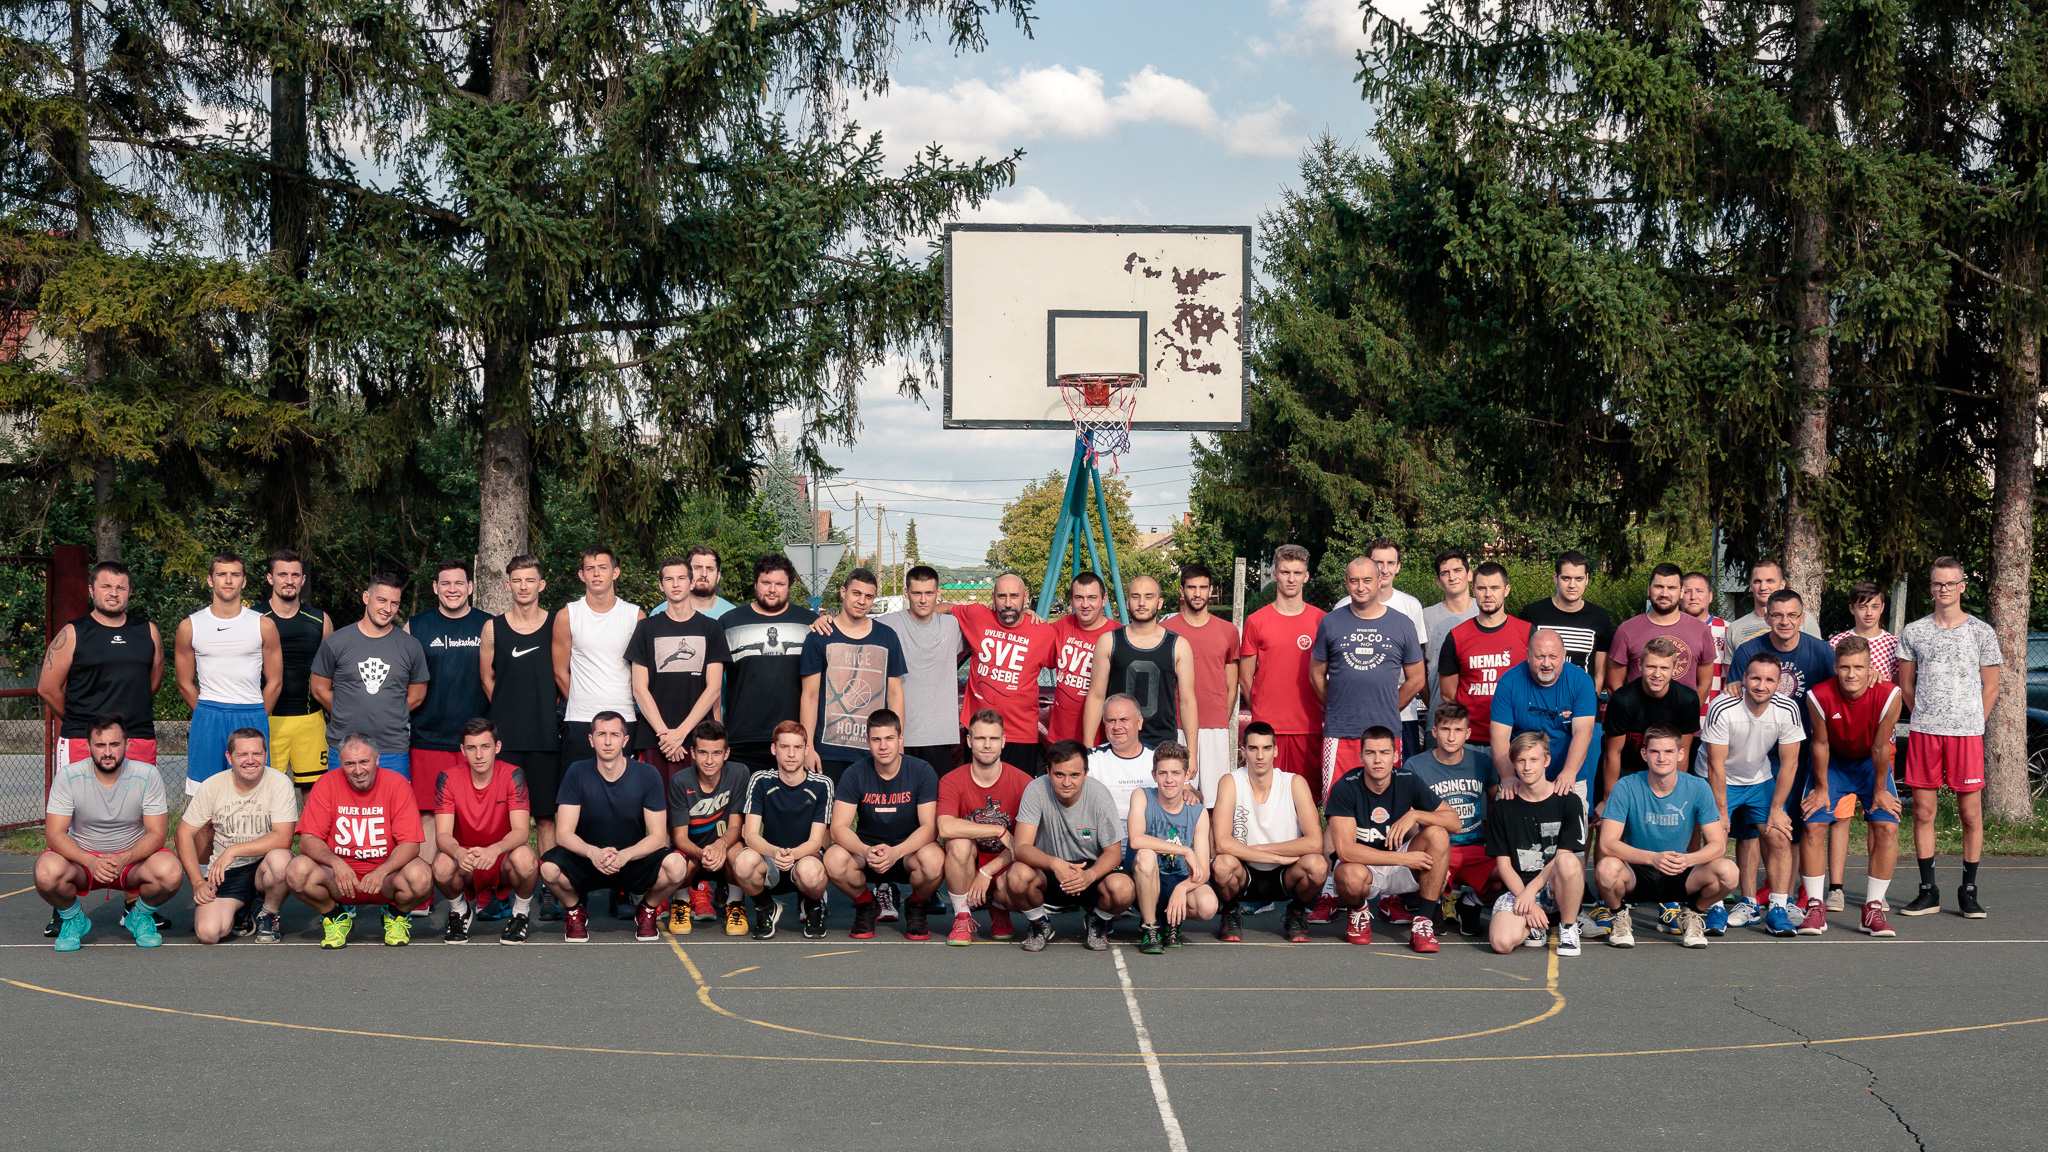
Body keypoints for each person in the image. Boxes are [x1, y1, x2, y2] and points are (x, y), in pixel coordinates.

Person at [1895, 557, 2003, 918]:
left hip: (1966, 736)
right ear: (1931, 588)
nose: (1944, 589)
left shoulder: (1981, 632)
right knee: (1923, 812)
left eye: (1950, 583)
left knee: (1970, 814)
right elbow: (1906, 685)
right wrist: (1927, 716)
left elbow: (1991, 687)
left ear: (1962, 587)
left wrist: (1971, 722)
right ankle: (1928, 891)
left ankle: (1968, 891)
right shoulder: (1914, 631)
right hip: (1925, 734)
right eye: (1937, 584)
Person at [537, 711, 688, 943]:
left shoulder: (647, 774)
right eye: (601, 734)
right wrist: (592, 853)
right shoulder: (576, 772)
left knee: (676, 866)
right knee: (548, 869)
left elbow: (658, 837)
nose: (608, 742)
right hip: (588, 859)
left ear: (625, 740)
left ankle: (647, 909)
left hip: (632, 859)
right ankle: (575, 911)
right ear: (591, 740)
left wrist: (625, 855)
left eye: (614, 735)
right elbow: (564, 834)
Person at [35, 715, 181, 951]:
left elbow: (157, 834)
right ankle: (73, 919)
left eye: (114, 744)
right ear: (87, 745)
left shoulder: (147, 774)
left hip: (131, 862)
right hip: (83, 862)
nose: (107, 752)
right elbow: (54, 834)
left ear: (127, 744)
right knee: (45, 872)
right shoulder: (69, 775)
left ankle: (140, 915)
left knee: (171, 871)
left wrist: (124, 858)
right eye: (100, 745)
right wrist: (89, 861)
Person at [1593, 726, 1738, 949]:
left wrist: (1687, 860)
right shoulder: (1626, 786)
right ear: (1644, 754)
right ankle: (1619, 915)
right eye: (1655, 752)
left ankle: (1693, 913)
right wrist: (1652, 858)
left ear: (1680, 754)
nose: (1662, 758)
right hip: (1636, 870)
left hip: (1679, 868)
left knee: (1729, 872)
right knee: (1605, 869)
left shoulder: (1698, 787)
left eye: (1669, 751)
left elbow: (1718, 845)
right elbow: (1607, 843)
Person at [287, 733, 433, 947]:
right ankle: (335, 917)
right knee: (296, 872)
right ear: (341, 762)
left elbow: (411, 844)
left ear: (377, 758)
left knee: (421, 878)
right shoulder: (326, 783)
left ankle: (396, 915)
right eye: (350, 764)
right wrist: (336, 863)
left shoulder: (397, 784)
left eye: (364, 761)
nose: (358, 770)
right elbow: (308, 839)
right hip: (340, 878)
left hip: (386, 877)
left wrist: (382, 871)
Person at [1801, 637, 1905, 937]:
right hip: (1832, 762)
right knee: (1813, 824)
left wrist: (1880, 790)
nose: (1851, 674)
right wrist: (1821, 789)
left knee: (1887, 826)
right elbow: (1820, 744)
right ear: (1835, 667)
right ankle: (1815, 907)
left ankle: (1873, 908)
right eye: (1845, 667)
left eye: (1859, 667)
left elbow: (1881, 746)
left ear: (1870, 668)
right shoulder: (1818, 695)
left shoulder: (1889, 694)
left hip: (1870, 763)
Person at [481, 554, 566, 916]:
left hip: (545, 737)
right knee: (503, 822)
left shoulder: (556, 625)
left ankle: (549, 891)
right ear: (508, 585)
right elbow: (488, 678)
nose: (524, 586)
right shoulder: (492, 628)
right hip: (507, 741)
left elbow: (563, 676)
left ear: (541, 584)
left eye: (530, 580)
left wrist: (544, 709)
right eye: (517, 580)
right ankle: (501, 894)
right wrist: (507, 711)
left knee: (545, 818)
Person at [1700, 653, 1806, 935]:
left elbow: (1790, 763)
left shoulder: (1787, 708)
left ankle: (1777, 909)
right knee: (1717, 839)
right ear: (1744, 678)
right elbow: (1715, 766)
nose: (1761, 685)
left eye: (1769, 680)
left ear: (1779, 684)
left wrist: (1777, 809)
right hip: (1719, 778)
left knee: (1779, 836)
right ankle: (1715, 907)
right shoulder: (1723, 706)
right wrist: (1721, 812)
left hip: (1758, 779)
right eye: (1755, 678)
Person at [406, 559, 491, 906]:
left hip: (476, 739)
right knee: (428, 813)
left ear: (470, 587)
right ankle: (424, 891)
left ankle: (482, 889)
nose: (452, 589)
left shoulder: (488, 624)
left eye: (459, 583)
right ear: (435, 588)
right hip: (428, 735)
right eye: (445, 583)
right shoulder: (416, 626)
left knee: (477, 816)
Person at [1325, 726, 1455, 951]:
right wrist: (1405, 859)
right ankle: (1358, 910)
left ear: (1395, 756)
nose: (1378, 760)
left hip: (1399, 864)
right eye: (1370, 753)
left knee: (1438, 834)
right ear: (1360, 756)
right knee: (1348, 875)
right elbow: (1345, 851)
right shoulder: (1345, 787)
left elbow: (1455, 822)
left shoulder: (1407, 780)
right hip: (1364, 866)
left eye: (1384, 752)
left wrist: (1415, 814)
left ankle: (1423, 922)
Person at [1311, 556, 1425, 803]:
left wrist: (1389, 707)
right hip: (1341, 732)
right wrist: (1335, 705)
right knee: (1337, 805)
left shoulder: (1402, 624)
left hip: (1385, 733)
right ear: (1346, 583)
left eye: (1367, 580)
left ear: (1379, 580)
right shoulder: (1331, 622)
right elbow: (1316, 674)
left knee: (1385, 804)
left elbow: (1417, 679)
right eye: (1354, 581)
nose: (1360, 587)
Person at [825, 709, 942, 940]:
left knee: (935, 861)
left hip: (909, 852)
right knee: (833, 859)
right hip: (868, 852)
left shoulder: (921, 771)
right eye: (876, 740)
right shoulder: (855, 773)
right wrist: (865, 851)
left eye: (889, 738)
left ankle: (916, 906)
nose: (883, 746)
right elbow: (838, 828)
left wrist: (897, 851)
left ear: (900, 738)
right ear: (868, 742)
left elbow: (930, 828)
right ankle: (866, 905)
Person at [1004, 740, 1132, 952]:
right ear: (1048, 771)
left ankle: (1098, 921)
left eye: (1074, 775)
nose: (1066, 782)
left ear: (1086, 773)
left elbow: (1113, 853)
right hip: (1049, 869)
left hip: (1089, 871)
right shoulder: (1035, 789)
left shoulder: (1100, 794)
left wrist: (1089, 875)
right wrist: (1055, 864)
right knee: (1015, 878)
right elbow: (1022, 847)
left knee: (1123, 889)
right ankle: (1039, 924)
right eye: (1059, 774)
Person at [175, 727, 296, 945]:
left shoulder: (279, 782)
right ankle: (244, 910)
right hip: (228, 871)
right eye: (242, 754)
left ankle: (269, 913)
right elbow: (183, 833)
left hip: (264, 865)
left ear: (266, 755)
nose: (250, 760)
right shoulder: (212, 785)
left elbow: (284, 838)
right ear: (229, 757)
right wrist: (197, 881)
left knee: (282, 859)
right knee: (208, 934)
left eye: (257, 753)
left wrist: (233, 851)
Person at [174, 553, 282, 796]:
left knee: (254, 795)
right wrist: (206, 712)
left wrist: (257, 716)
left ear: (244, 581)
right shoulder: (190, 626)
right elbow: (184, 683)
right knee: (204, 795)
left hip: (251, 712)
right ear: (210, 580)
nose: (229, 580)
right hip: (208, 714)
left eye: (235, 574)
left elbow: (275, 682)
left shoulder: (263, 625)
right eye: (222, 574)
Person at [38, 561, 163, 769]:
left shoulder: (148, 631)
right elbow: (47, 688)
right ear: (91, 590)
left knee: (139, 792)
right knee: (79, 793)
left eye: (120, 587)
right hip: (82, 740)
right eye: (106, 586)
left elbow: (152, 684)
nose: (114, 593)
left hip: (137, 736)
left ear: (129, 592)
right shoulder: (73, 633)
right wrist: (81, 721)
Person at [1210, 722, 1327, 942]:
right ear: (1243, 751)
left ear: (1276, 750)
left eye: (1266, 748)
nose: (1260, 755)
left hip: (1286, 873)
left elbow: (1315, 843)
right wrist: (1274, 857)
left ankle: (1296, 911)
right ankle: (1230, 911)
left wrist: (1262, 849)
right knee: (1222, 865)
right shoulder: (1230, 782)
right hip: (1245, 871)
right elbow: (1222, 844)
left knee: (1318, 866)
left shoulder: (1294, 783)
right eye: (1253, 748)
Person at [1823, 580, 1900, 904]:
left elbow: (1898, 688)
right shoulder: (1836, 642)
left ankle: (1875, 892)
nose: (1868, 612)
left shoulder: (1893, 644)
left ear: (1883, 608)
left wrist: (1879, 680)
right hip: (1842, 742)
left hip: (1879, 743)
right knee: (1839, 817)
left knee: (1878, 817)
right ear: (1852, 608)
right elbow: (1831, 685)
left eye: (1875, 606)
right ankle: (1836, 888)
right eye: (1862, 606)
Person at [432, 718, 541, 945]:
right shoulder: (447, 777)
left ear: (497, 747)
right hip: (466, 857)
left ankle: (520, 913)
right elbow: (442, 836)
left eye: (485, 746)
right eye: (472, 748)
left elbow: (521, 831)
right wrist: (458, 852)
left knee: (526, 858)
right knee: (441, 865)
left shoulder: (514, 775)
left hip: (502, 856)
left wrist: (495, 849)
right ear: (463, 750)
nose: (479, 755)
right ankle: (460, 911)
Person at [310, 572, 429, 776]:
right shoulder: (336, 642)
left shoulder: (410, 646)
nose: (387, 609)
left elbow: (417, 695)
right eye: (381, 600)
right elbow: (319, 689)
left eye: (394, 603)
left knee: (394, 797)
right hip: (345, 747)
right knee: (341, 798)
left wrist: (392, 712)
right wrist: (344, 710)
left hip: (392, 748)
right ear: (366, 597)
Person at [1082, 575, 1199, 780]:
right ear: (1128, 602)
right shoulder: (1109, 641)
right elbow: (1096, 696)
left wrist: (1193, 753)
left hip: (1162, 746)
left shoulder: (1179, 645)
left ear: (1160, 602)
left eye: (1148, 596)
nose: (1142, 603)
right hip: (1117, 744)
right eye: (1136, 597)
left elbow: (1188, 701)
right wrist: (1088, 749)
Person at [629, 554, 730, 786]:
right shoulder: (646, 628)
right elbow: (639, 689)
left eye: (681, 578)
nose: (675, 584)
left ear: (691, 583)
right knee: (657, 806)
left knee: (698, 806)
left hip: (699, 739)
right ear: (660, 585)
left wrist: (681, 733)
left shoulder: (711, 628)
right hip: (655, 739)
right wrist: (666, 735)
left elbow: (714, 688)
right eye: (669, 579)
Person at [800, 568, 906, 785]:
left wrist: (897, 743)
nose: (862, 601)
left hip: (874, 750)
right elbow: (809, 696)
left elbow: (895, 694)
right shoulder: (820, 637)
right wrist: (807, 747)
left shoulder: (887, 637)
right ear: (843, 592)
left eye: (869, 596)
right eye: (856, 593)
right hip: (829, 751)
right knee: (829, 808)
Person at [1484, 731, 1586, 956]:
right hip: (1517, 888)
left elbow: (1562, 856)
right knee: (1501, 943)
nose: (1527, 767)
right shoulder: (1503, 807)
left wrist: (1531, 891)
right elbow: (1503, 865)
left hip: (1553, 886)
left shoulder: (1569, 801)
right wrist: (1527, 903)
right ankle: (1534, 927)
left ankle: (1568, 928)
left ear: (1546, 761)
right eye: (1521, 760)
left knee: (1568, 860)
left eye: (1533, 760)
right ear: (1513, 763)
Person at [729, 721, 834, 939]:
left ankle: (813, 906)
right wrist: (776, 852)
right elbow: (751, 835)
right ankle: (766, 906)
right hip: (771, 858)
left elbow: (816, 841)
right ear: (773, 749)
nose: (791, 754)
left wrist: (792, 855)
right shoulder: (760, 780)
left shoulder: (822, 784)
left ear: (806, 749)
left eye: (797, 747)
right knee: (743, 862)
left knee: (810, 872)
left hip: (805, 858)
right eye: (784, 747)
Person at [1238, 544, 1326, 800]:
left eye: (1297, 573)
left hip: (1308, 726)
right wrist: (1262, 709)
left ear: (1306, 576)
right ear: (1275, 574)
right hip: (1268, 728)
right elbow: (1245, 677)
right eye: (1285, 572)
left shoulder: (1321, 620)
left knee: (1307, 799)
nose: (1291, 579)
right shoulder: (1257, 621)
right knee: (1265, 797)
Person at [936, 709, 1032, 945]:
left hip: (1005, 863)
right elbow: (945, 828)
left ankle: (999, 907)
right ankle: (962, 916)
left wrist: (987, 872)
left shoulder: (1024, 782)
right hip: (969, 862)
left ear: (1003, 741)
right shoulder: (952, 780)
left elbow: (1024, 844)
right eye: (980, 738)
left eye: (993, 738)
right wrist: (997, 830)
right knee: (958, 844)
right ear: (969, 741)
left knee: (1021, 872)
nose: (987, 745)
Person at [1404, 702, 1499, 937]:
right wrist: (1422, 851)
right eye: (1445, 729)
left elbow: (1496, 804)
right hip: (1437, 848)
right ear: (1434, 731)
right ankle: (1432, 903)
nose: (1451, 737)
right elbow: (1408, 817)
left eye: (1458, 730)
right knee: (1414, 867)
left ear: (1468, 733)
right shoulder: (1415, 765)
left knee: (1510, 874)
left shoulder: (1482, 762)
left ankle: (1470, 904)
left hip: (1474, 847)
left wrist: (1494, 842)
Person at [954, 573, 1060, 776]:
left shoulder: (1043, 632)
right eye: (1002, 596)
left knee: (1018, 792)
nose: (1008, 603)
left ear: (1025, 597)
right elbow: (942, 608)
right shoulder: (977, 615)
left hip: (1020, 734)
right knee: (978, 789)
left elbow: (1065, 663)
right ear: (993, 597)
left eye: (1014, 596)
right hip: (980, 731)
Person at [721, 555, 818, 775]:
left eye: (780, 584)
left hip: (792, 740)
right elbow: (714, 688)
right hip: (741, 740)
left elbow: (813, 692)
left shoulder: (809, 624)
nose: (772, 589)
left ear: (789, 587)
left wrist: (808, 744)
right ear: (755, 584)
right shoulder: (729, 623)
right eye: (766, 582)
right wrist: (720, 735)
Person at [552, 545, 644, 767]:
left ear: (615, 572)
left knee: (622, 786)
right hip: (580, 719)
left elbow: (643, 673)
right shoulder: (567, 615)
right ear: (581, 574)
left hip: (623, 717)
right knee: (579, 786)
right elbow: (559, 671)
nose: (596, 574)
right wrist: (581, 699)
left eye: (603, 567)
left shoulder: (635, 616)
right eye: (590, 568)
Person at [1127, 742, 1216, 954]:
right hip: (1147, 880)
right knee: (1146, 855)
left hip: (1178, 879)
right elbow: (1136, 840)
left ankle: (1171, 922)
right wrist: (1185, 850)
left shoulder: (1198, 812)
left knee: (1208, 905)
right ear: (1154, 774)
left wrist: (1182, 888)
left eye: (1176, 773)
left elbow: (1204, 871)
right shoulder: (1142, 796)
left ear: (1187, 776)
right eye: (1163, 773)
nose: (1169, 779)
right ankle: (1150, 927)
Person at [1489, 629, 1599, 799]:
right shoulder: (1509, 682)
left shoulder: (1581, 681)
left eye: (1553, 656)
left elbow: (1583, 731)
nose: (1546, 663)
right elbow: (1499, 736)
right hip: (1521, 777)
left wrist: (1569, 771)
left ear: (1564, 655)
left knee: (1574, 814)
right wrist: (1508, 777)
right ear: (1528, 655)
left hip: (1567, 774)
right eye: (1540, 656)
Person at [1164, 563, 1240, 808]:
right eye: (1191, 587)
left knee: (1216, 802)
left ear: (1211, 590)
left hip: (1214, 727)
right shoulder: (1165, 631)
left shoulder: (1228, 631)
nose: (1197, 593)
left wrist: (1220, 718)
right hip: (1176, 725)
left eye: (1203, 588)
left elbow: (1231, 685)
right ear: (1181, 590)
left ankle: (1215, 836)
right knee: (1176, 800)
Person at [666, 720, 752, 936]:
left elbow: (736, 825)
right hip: (694, 849)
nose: (710, 760)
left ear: (726, 753)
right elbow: (679, 837)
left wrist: (720, 846)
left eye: (716, 753)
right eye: (703, 753)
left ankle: (735, 904)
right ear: (693, 753)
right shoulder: (680, 781)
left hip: (724, 846)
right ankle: (681, 902)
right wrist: (703, 853)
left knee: (737, 853)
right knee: (680, 860)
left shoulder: (739, 773)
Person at [877, 565, 965, 770]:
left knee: (935, 790)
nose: (923, 599)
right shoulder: (887, 624)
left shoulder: (952, 625)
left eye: (929, 593)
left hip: (939, 735)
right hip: (899, 735)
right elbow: (853, 627)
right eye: (917, 593)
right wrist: (825, 621)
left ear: (938, 593)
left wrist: (1027, 613)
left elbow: (991, 621)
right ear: (906, 592)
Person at [259, 549, 332, 793]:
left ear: (303, 579)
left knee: (315, 794)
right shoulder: (253, 618)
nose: (289, 581)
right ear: (270, 578)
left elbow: (331, 674)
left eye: (295, 575)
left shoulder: (320, 620)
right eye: (282, 574)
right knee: (264, 792)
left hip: (310, 720)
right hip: (267, 719)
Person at [1597, 638, 1702, 798]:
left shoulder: (1687, 700)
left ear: (1674, 669)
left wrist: (1676, 797)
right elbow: (1613, 753)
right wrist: (1608, 799)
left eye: (1664, 668)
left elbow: (1682, 752)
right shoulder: (1622, 700)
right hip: (1626, 768)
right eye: (1651, 667)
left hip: (1664, 767)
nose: (1657, 674)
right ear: (1640, 665)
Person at [1437, 561, 1533, 732]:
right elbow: (1448, 694)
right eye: (1482, 588)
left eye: (1495, 588)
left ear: (1506, 590)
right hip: (1470, 736)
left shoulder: (1527, 632)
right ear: (1473, 590)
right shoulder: (1456, 636)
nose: (1488, 594)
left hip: (1516, 734)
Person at [1607, 564, 1714, 698]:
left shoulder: (1700, 630)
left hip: (1682, 711)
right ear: (1649, 590)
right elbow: (1613, 683)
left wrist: (1690, 709)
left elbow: (1705, 683)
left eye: (1671, 588)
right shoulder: (1627, 629)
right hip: (1637, 711)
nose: (1664, 594)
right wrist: (1629, 709)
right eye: (1659, 587)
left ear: (1681, 592)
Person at [1368, 539, 1431, 754]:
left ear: (1398, 567)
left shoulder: (1411, 606)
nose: (1384, 569)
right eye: (1378, 562)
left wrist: (1391, 708)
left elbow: (1417, 668)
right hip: (1359, 715)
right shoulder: (1344, 605)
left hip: (1403, 715)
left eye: (1390, 563)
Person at [1517, 551, 1614, 687]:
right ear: (1555, 578)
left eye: (1579, 579)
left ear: (1586, 579)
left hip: (1581, 696)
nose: (1572, 585)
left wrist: (1592, 696)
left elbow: (1600, 673)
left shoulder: (1600, 617)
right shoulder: (1532, 613)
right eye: (1566, 578)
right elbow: (1522, 661)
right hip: (1539, 695)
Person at [1047, 571, 1119, 747]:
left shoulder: (1118, 635)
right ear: (1072, 600)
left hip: (1101, 738)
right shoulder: (1061, 626)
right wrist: (1026, 614)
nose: (1085, 604)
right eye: (1079, 598)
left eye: (1092, 598)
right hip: (1062, 734)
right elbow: (1030, 637)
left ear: (1104, 599)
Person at [1421, 549, 1478, 728]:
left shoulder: (1486, 611)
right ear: (1438, 582)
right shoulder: (1426, 617)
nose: (1452, 577)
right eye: (1445, 573)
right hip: (1440, 720)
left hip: (1482, 717)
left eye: (1457, 570)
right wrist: (1434, 706)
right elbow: (1417, 672)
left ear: (1469, 575)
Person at [1725, 558, 1823, 650]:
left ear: (1782, 585)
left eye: (1770, 581)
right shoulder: (1735, 628)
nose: (1763, 587)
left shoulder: (1803, 620)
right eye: (1757, 582)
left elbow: (1817, 655)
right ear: (1751, 585)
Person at [1087, 694, 1157, 812]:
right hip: (1104, 823)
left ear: (1139, 722)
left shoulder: (1158, 758)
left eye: (1124, 720)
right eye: (1111, 721)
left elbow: (1187, 791)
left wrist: (1188, 793)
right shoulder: (1091, 759)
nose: (1117, 726)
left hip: (1148, 823)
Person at [1680, 570, 1732, 707]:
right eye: (1687, 591)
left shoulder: (1728, 630)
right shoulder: (1670, 630)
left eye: (1699, 591)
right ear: (1679, 596)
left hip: (1717, 710)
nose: (1693, 597)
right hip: (1678, 711)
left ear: (1710, 596)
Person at [683, 544, 736, 618]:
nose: (704, 574)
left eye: (710, 569)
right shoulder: (667, 611)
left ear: (718, 577)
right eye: (697, 568)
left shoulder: (733, 615)